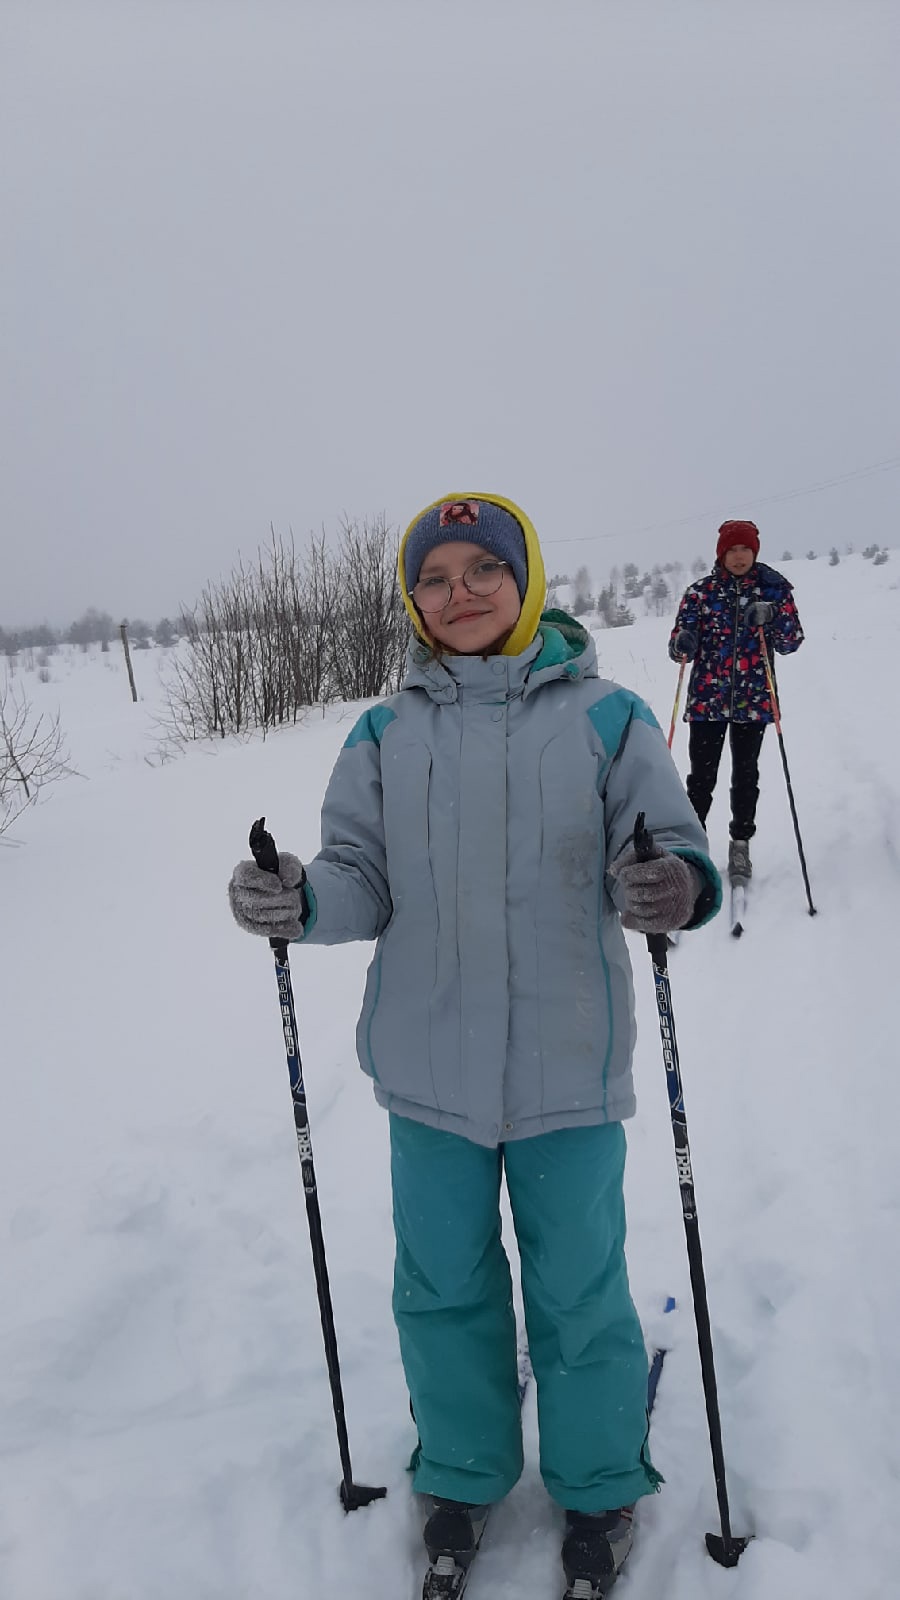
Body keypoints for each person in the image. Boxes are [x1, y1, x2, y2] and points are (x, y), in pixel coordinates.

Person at [229, 494, 721, 1597]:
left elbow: (673, 849)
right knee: (441, 1286)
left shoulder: (610, 718)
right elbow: (360, 877)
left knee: (579, 1289)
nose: (460, 593)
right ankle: (460, 1472)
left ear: (526, 577)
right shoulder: (383, 734)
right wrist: (299, 899)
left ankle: (599, 1484)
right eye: (435, 577)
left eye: (483, 569)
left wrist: (674, 884)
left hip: (568, 1068)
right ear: (414, 600)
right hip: (428, 1074)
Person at [668, 519, 804, 881]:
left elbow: (791, 642)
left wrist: (773, 615)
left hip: (753, 700)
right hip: (707, 701)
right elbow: (678, 647)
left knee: (745, 776)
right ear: (721, 554)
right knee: (701, 779)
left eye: (745, 549)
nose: (739, 556)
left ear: (754, 552)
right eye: (732, 550)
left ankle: (740, 845)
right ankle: (693, 845)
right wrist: (683, 643)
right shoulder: (701, 593)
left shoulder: (773, 590)